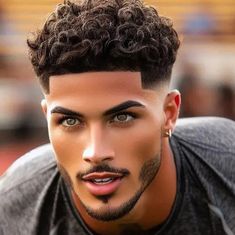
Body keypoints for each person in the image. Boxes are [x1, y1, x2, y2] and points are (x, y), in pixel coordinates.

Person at [0, 0, 235, 234]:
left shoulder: (226, 164)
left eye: (122, 117)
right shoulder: (15, 202)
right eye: (70, 121)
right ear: (46, 118)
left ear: (169, 113)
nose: (95, 152)